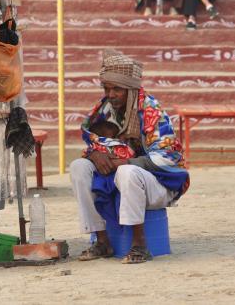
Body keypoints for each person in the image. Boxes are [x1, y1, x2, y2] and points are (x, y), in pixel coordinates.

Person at [71, 49, 190, 264]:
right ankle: (102, 240)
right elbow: (96, 143)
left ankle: (139, 246)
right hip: (121, 180)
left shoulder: (153, 112)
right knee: (79, 167)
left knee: (127, 171)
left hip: (160, 183)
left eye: (118, 88)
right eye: (107, 88)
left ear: (132, 89)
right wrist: (95, 155)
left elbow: (167, 159)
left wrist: (125, 162)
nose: (111, 94)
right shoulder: (106, 110)